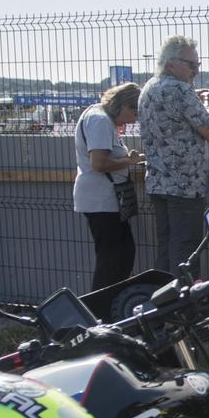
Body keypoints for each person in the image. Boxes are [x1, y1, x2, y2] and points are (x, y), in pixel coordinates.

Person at [137, 36, 209, 268]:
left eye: (198, 65)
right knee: (186, 252)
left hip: (158, 183)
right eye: (192, 64)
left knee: (166, 249)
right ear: (171, 64)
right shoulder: (180, 90)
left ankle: (162, 299)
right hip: (185, 187)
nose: (196, 70)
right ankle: (182, 302)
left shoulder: (149, 88)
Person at [73, 81, 144, 290]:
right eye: (135, 114)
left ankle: (110, 307)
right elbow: (99, 163)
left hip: (105, 201)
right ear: (124, 106)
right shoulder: (100, 120)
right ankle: (100, 312)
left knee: (122, 256)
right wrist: (129, 162)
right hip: (101, 201)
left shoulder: (101, 118)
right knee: (111, 261)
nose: (134, 120)